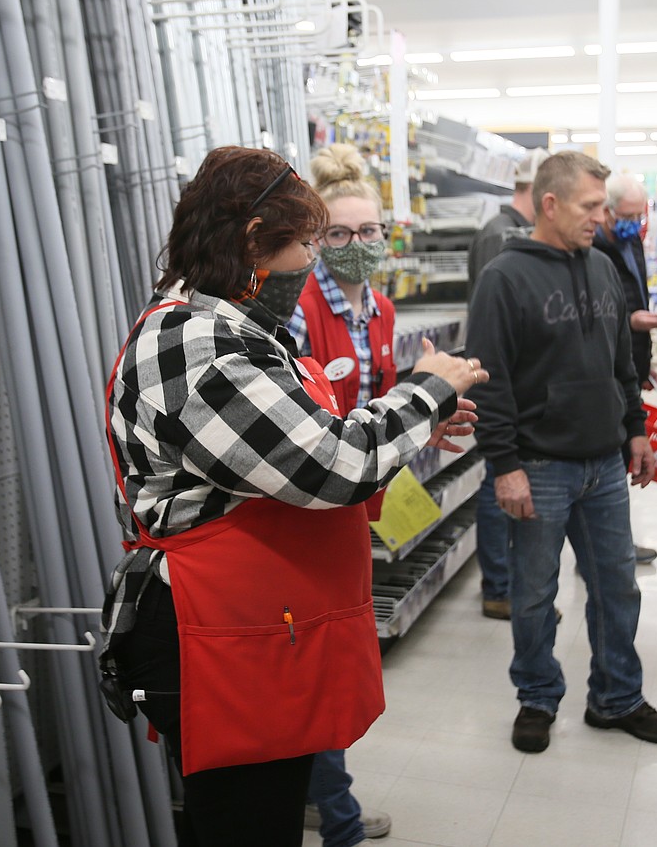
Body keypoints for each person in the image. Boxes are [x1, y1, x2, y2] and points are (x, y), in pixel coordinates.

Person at [99, 146, 487, 847]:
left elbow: (308, 442)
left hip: (256, 630)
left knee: (268, 815)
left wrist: (418, 415)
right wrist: (425, 389)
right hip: (219, 633)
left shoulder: (236, 330)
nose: (317, 259)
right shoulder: (195, 342)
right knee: (247, 824)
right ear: (253, 239)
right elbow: (335, 464)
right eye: (311, 241)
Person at [465, 151, 657, 754]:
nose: (601, 217)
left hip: (605, 464)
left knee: (617, 587)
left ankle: (617, 698)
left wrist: (635, 428)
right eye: (590, 206)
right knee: (534, 595)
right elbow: (491, 379)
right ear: (550, 204)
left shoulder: (605, 268)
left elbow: (620, 363)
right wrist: (503, 466)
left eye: (603, 206)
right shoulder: (503, 280)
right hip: (539, 466)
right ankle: (536, 698)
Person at [284, 142, 397, 846]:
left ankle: (324, 802)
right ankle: (341, 823)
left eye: (369, 233)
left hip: (357, 509)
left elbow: (380, 405)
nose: (357, 246)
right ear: (318, 238)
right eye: (339, 235)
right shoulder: (298, 311)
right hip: (306, 519)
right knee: (319, 673)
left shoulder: (379, 310)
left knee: (336, 671)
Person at [465, 147, 549, 619]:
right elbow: (496, 321)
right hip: (500, 380)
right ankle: (498, 587)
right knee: (497, 482)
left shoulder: (500, 231)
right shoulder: (501, 236)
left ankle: (502, 582)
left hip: (504, 378)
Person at [592, 174, 657, 564]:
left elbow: (636, 294)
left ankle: (613, 544)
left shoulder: (630, 240)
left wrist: (644, 360)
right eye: (628, 215)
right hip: (604, 372)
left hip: (629, 361)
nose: (636, 222)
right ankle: (611, 546)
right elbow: (601, 315)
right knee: (615, 460)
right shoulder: (592, 248)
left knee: (626, 456)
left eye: (641, 215)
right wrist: (630, 322)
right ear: (606, 210)